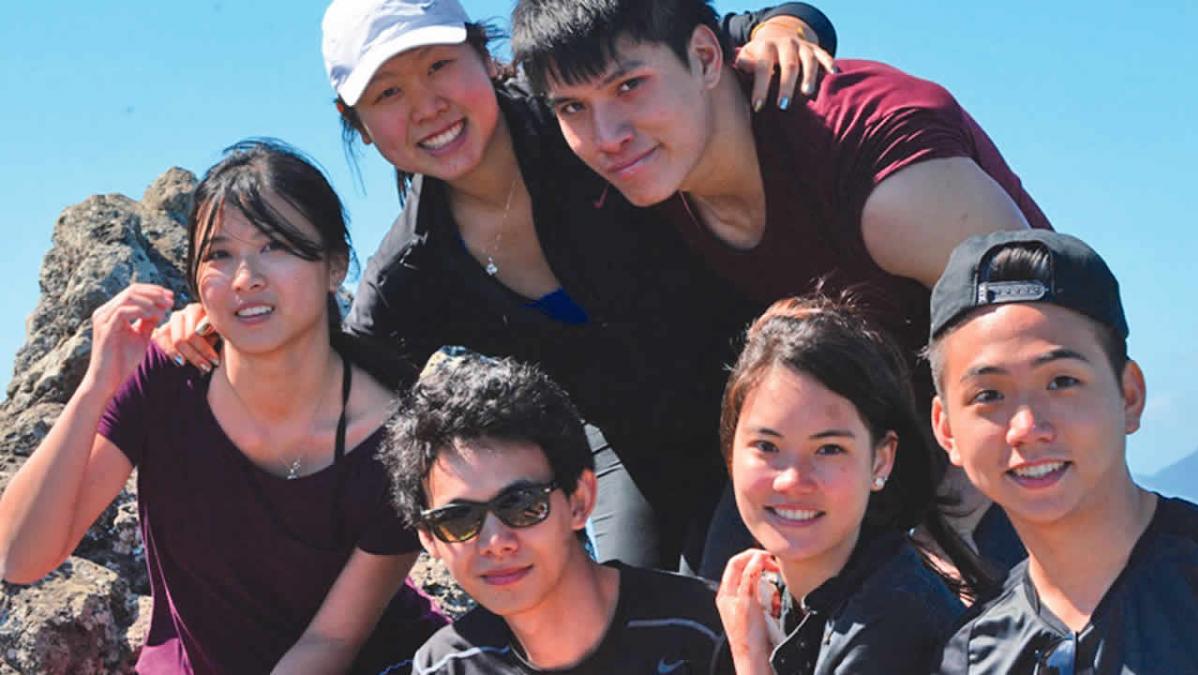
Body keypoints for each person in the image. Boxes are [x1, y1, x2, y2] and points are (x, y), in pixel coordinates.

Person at [159, 0, 841, 573]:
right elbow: (334, 377)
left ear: (485, 57)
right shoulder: (411, 272)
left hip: (776, 400)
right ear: (356, 123)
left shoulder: (580, 116)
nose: (427, 106)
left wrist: (782, 25)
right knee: (634, 621)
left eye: (438, 66)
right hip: (635, 460)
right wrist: (226, 324)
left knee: (738, 583)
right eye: (388, 94)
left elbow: (704, 37)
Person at [509, 0, 1052, 570]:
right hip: (844, 439)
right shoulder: (647, 174)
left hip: (1012, 435)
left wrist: (955, 528)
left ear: (705, 58)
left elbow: (1039, 333)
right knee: (721, 596)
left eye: (630, 86)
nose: (607, 136)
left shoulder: (877, 170)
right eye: (573, 107)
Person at [0, 140, 444, 674]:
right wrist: (97, 387)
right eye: (218, 255)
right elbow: (20, 557)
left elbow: (329, 642)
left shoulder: (397, 439)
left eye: (275, 245)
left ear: (335, 265)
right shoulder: (169, 378)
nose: (245, 278)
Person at [927, 229, 1198, 673]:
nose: (1028, 428)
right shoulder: (973, 655)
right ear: (947, 430)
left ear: (1129, 396)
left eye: (1062, 382)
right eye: (988, 394)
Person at [382, 348, 735, 674]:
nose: (496, 541)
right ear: (428, 538)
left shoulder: (713, 630)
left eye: (521, 504)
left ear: (579, 500)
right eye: (458, 520)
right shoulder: (446, 667)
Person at [714, 297, 989, 674]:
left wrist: (750, 660)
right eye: (767, 446)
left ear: (881, 460)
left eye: (829, 449)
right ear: (730, 449)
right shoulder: (783, 600)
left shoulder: (894, 623)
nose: (793, 479)